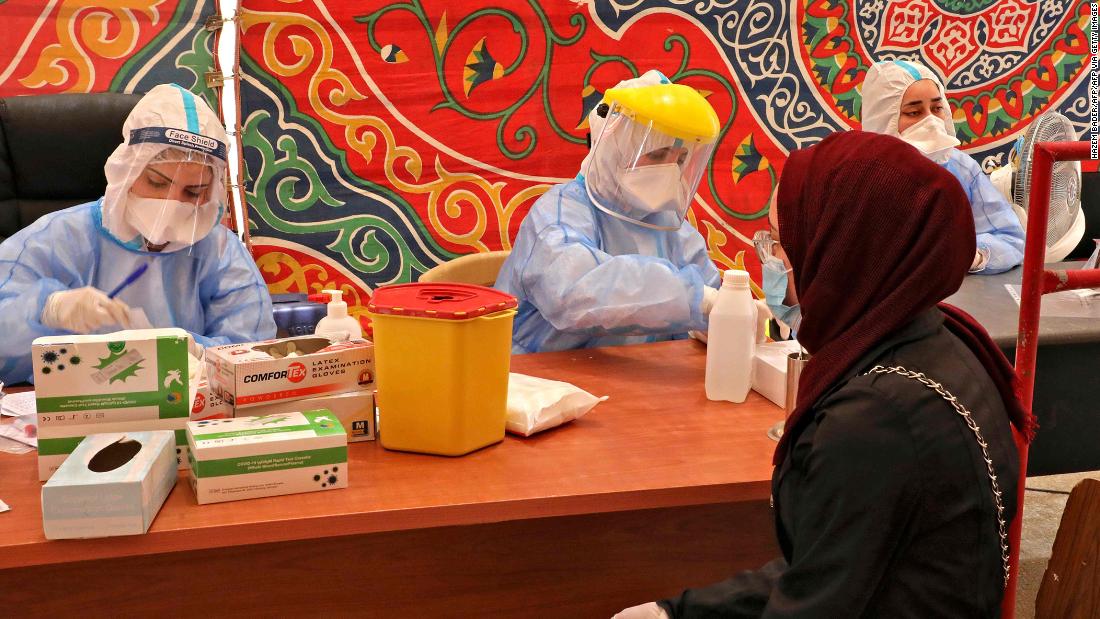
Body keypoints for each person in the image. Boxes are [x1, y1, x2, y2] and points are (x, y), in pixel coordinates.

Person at [615, 131, 1031, 618]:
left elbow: (817, 598)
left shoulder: (877, 416)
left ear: (841, 252)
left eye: (783, 243)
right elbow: (832, 564)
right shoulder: (938, 343)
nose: (772, 260)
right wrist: (676, 612)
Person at [0, 84, 275, 384]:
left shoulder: (219, 251)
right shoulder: (56, 239)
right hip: (70, 413)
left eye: (193, 191)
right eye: (157, 183)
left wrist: (196, 351)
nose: (172, 204)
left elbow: (253, 350)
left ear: (212, 192)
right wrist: (46, 309)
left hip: (184, 413)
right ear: (127, 173)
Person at [495, 71, 723, 353]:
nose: (669, 170)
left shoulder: (669, 227)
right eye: (657, 154)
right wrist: (693, 299)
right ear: (614, 148)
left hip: (638, 387)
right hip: (541, 384)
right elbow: (574, 293)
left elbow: (711, 290)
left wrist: (731, 312)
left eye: (680, 159)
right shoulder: (558, 215)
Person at [861, 60, 1025, 275]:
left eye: (937, 108)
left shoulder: (962, 169)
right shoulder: (859, 176)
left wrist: (972, 255)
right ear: (883, 118)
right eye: (914, 112)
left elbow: (1011, 239)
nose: (930, 120)